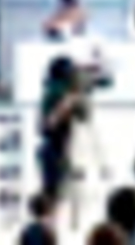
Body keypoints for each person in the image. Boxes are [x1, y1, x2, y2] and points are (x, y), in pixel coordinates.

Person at [38, 56, 87, 203]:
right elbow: (83, 116)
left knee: (53, 195)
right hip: (55, 149)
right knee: (54, 197)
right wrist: (71, 100)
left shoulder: (53, 90)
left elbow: (82, 115)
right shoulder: (59, 91)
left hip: (55, 148)